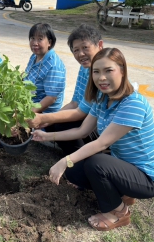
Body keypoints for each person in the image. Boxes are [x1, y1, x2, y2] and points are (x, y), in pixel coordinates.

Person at [32, 48, 154, 231]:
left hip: (148, 177)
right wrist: (47, 135)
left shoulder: (133, 104)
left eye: (108, 70)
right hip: (123, 166)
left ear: (122, 71)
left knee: (96, 162)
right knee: (74, 173)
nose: (101, 77)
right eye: (96, 72)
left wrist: (64, 160)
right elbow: (82, 130)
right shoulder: (103, 99)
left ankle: (119, 212)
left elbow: (102, 143)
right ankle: (124, 192)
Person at [28, 24, 103, 153]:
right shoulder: (85, 68)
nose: (81, 54)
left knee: (60, 124)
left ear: (99, 45)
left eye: (85, 47)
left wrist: (45, 118)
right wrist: (49, 119)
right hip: (90, 117)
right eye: (76, 50)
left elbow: (80, 112)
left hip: (101, 125)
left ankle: (82, 156)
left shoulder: (101, 74)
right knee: (54, 124)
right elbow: (74, 102)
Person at [24, 23, 66, 113]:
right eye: (32, 38)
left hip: (43, 114)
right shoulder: (34, 56)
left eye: (40, 39)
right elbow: (26, 75)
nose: (35, 43)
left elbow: (51, 98)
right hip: (28, 104)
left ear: (49, 43)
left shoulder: (53, 65)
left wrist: (28, 115)